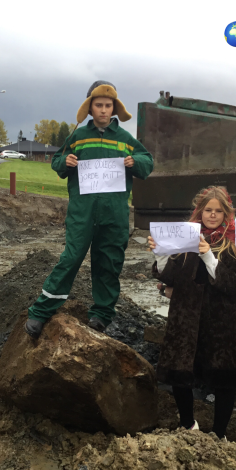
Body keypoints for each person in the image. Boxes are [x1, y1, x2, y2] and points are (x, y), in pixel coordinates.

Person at [24, 80, 154, 338]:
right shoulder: (78, 136)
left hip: (114, 215)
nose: (104, 110)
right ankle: (42, 311)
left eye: (108, 106)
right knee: (71, 258)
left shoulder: (126, 139)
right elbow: (57, 161)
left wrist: (134, 161)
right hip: (82, 213)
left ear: (114, 109)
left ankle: (101, 315)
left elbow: (147, 162)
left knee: (108, 262)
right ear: (90, 108)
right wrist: (67, 161)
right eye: (99, 105)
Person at [148, 186, 236, 439]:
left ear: (226, 214)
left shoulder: (233, 244)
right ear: (200, 212)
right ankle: (187, 425)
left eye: (218, 211)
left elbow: (232, 284)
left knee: (223, 379)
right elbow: (169, 276)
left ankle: (219, 433)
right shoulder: (185, 238)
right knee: (180, 373)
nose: (212, 215)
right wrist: (161, 253)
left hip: (220, 321)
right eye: (208, 210)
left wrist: (208, 256)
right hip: (187, 318)